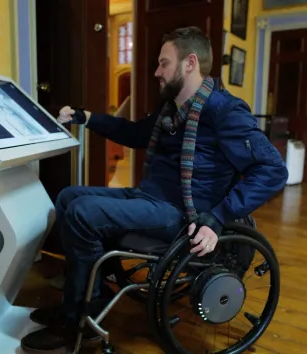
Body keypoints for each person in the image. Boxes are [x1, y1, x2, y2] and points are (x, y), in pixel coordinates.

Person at [20, 26, 288, 353]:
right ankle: (94, 294)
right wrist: (85, 117)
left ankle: (77, 317)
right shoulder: (172, 109)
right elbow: (134, 134)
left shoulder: (224, 111)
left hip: (182, 215)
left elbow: (273, 169)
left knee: (81, 212)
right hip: (152, 197)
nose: (156, 72)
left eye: (164, 63)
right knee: (68, 197)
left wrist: (218, 217)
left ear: (190, 63)